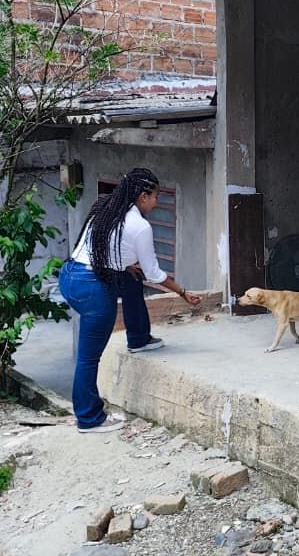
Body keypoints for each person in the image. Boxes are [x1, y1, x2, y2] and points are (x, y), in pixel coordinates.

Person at [59, 168, 203, 433]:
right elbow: (155, 273)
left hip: (69, 277)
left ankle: (139, 339)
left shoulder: (105, 207)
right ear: (143, 196)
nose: (157, 202)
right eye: (156, 197)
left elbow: (104, 246)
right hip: (92, 289)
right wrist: (182, 292)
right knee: (89, 358)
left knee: (130, 275)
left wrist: (125, 266)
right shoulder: (140, 226)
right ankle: (89, 419)